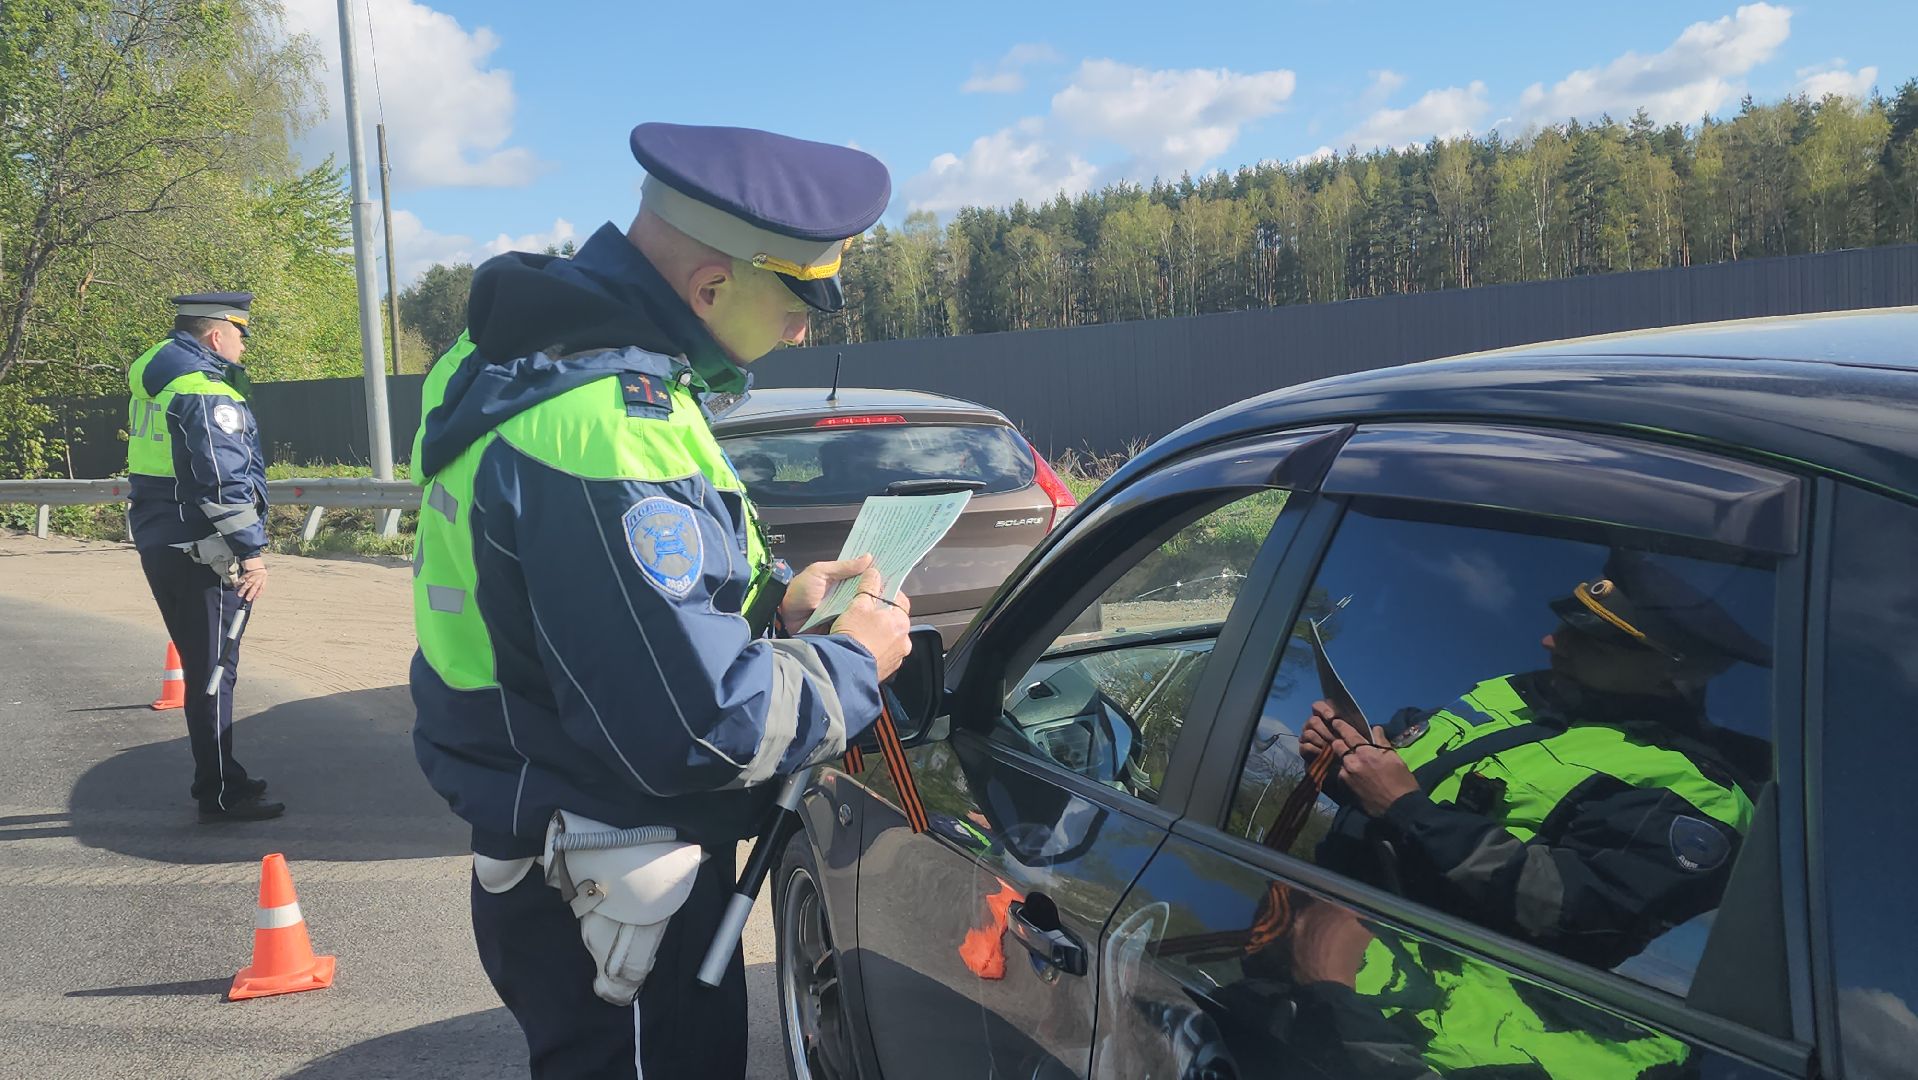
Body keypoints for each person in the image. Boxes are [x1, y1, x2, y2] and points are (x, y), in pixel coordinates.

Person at [409, 122, 912, 1079]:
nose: (804, 330)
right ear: (711, 287)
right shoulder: (608, 420)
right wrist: (851, 660)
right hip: (618, 877)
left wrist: (775, 607)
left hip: (556, 836)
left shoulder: (518, 357)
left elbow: (582, 610)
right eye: (799, 301)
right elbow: (698, 725)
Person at [1285, 550, 1769, 1075]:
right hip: (1306, 935)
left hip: (1410, 1023)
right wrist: (1344, 762)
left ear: (1672, 673)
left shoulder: (1696, 793)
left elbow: (1574, 912)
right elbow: (1408, 763)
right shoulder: (1512, 694)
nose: (1550, 642)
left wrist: (1407, 809)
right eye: (1563, 626)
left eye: (1589, 640)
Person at [125, 291, 280, 823]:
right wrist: (251, 553)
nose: (243, 347)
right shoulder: (203, 391)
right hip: (201, 548)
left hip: (161, 536)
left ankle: (222, 776)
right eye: (240, 336)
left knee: (203, 663)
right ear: (216, 336)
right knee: (215, 669)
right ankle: (218, 793)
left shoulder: (156, 376)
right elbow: (221, 481)